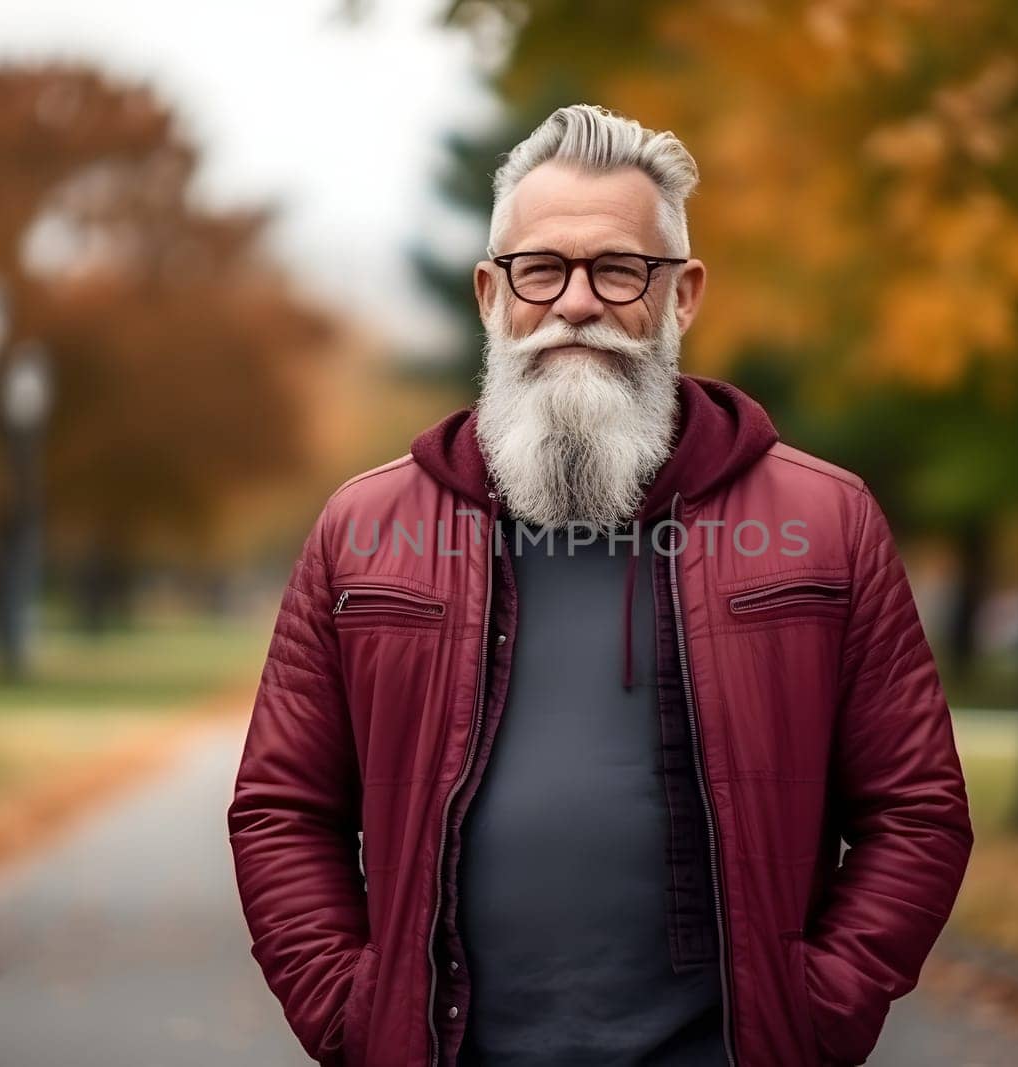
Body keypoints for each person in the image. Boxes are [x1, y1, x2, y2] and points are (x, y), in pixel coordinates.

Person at [228, 103, 974, 1067]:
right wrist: (351, 1012)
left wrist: (818, 1015)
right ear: (491, 296)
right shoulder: (361, 531)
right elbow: (282, 809)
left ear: (684, 294)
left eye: (619, 268)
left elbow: (916, 807)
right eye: (541, 269)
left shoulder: (827, 523)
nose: (576, 302)